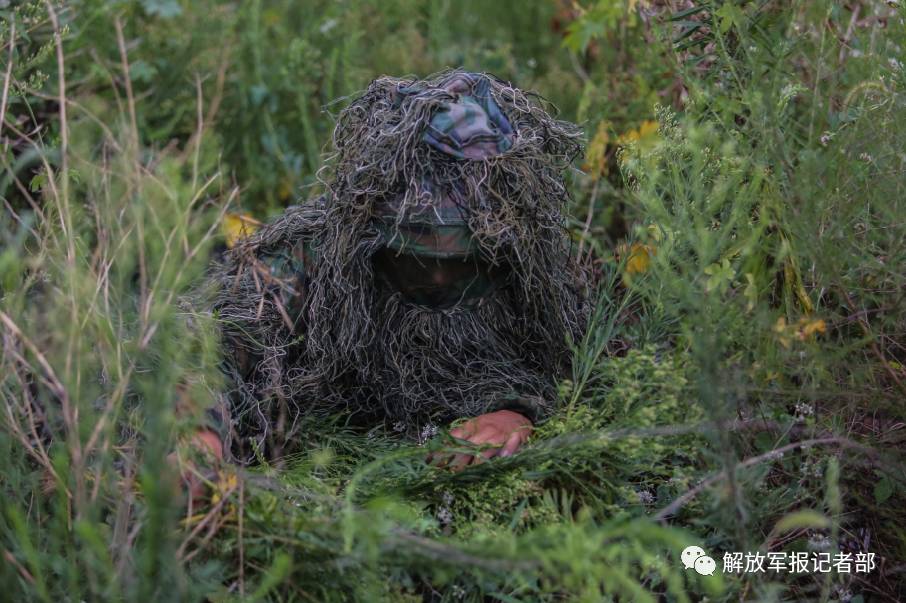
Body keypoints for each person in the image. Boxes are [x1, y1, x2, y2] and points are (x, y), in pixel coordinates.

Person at [197, 70, 589, 468]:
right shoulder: (310, 257)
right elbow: (209, 348)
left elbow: (573, 371)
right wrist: (200, 433)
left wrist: (518, 415)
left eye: (464, 263)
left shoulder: (530, 274)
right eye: (412, 256)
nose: (436, 278)